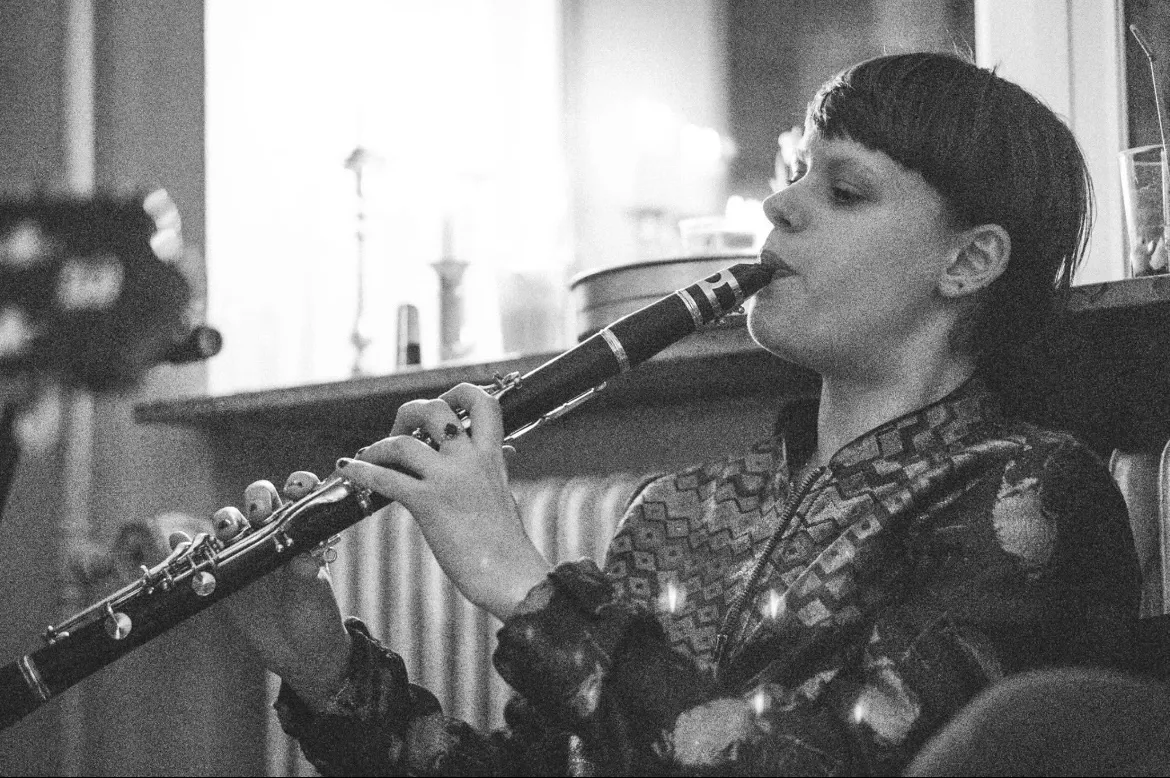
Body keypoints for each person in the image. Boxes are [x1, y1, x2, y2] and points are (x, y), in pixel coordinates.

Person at [222, 51, 1143, 775]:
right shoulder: (677, 509)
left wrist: (524, 586)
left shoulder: (1026, 494)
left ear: (969, 262)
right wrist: (324, 670)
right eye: (795, 171)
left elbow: (822, 764)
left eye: (844, 189)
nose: (778, 203)